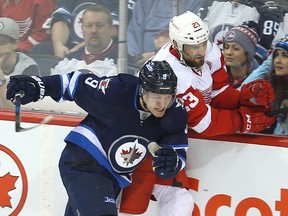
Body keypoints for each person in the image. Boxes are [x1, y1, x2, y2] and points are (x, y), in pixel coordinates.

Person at [120, 11, 276, 216]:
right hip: (141, 136)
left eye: (203, 43)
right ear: (176, 45)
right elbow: (205, 123)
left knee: (180, 202)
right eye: (193, 46)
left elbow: (217, 94)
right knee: (130, 205)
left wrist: (242, 98)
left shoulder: (210, 51)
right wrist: (242, 120)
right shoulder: (172, 72)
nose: (200, 51)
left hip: (170, 136)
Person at [6, 60, 189, 216]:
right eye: (157, 96)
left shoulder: (174, 113)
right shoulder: (117, 91)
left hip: (114, 178)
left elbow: (178, 151)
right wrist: (38, 86)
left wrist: (172, 163)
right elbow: (73, 83)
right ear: (143, 90)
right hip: (83, 163)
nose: (163, 104)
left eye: (168, 97)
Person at [42, 0, 135, 58]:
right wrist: (59, 45)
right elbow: (61, 17)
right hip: (70, 51)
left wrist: (77, 51)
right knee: (41, 50)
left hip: (102, 52)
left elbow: (114, 28)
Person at [127, 0, 202, 67]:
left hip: (181, 60)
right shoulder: (145, 2)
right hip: (147, 62)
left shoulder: (195, 2)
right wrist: (137, 56)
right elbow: (132, 30)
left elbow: (196, 32)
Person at [241, 35, 288, 135]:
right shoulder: (276, 84)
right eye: (276, 55)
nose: (277, 60)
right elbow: (243, 91)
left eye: (285, 55)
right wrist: (269, 63)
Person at [0, 17, 40, 109]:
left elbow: (16, 113)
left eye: (2, 43)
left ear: (15, 44)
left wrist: (1, 81)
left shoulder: (29, 68)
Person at [223, 23, 259, 89]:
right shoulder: (215, 77)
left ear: (248, 54)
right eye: (226, 47)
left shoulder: (257, 84)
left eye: (236, 48)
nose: (229, 52)